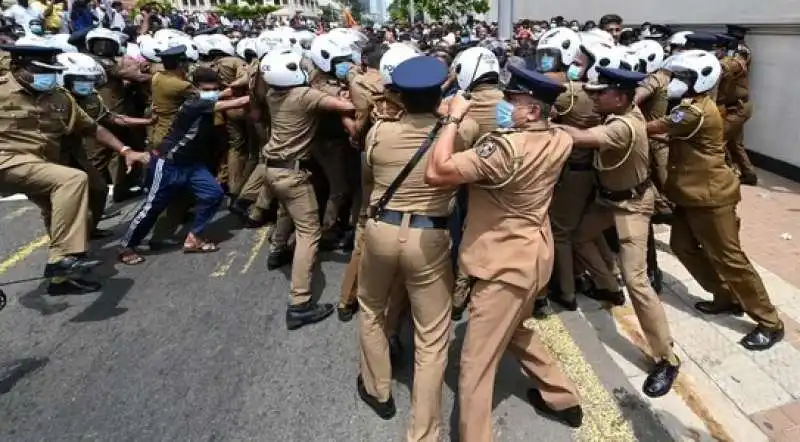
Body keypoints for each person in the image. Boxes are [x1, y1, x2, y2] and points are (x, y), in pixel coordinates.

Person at [425, 65, 583, 440]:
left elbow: (438, 171)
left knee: (475, 366)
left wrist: (452, 121)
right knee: (513, 330)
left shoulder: (504, 149)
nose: (506, 105)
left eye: (514, 101)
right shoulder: (560, 139)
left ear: (532, 111)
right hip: (533, 259)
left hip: (503, 266)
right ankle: (563, 398)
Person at [356, 55, 480, 441]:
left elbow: (368, 180)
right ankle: (424, 431)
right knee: (431, 335)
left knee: (372, 309)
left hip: (380, 228)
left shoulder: (378, 133)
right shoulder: (460, 131)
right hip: (429, 235)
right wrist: (450, 111)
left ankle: (378, 388)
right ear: (441, 91)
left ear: (400, 97)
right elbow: (466, 125)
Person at [647, 50, 784, 350]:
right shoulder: (690, 107)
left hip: (710, 197)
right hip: (689, 194)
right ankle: (725, 296)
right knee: (682, 246)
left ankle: (770, 322)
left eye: (683, 77)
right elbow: (674, 136)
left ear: (701, 80)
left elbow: (657, 127)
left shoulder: (692, 112)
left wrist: (627, 125)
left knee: (730, 258)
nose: (676, 82)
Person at [559, 67, 681, 398]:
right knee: (578, 236)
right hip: (607, 200)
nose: (595, 97)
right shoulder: (625, 109)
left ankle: (666, 358)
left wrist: (542, 124)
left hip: (632, 206)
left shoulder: (623, 127)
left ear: (620, 98)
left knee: (638, 281)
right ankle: (608, 287)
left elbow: (581, 138)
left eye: (601, 93)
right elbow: (647, 85)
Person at [0, 45, 147, 294]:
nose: (46, 77)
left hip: (41, 165)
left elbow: (93, 127)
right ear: (17, 67)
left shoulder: (59, 97)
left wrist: (125, 151)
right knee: (73, 180)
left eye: (51, 71)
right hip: (7, 161)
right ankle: (63, 259)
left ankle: (61, 277)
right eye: (39, 71)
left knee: (64, 214)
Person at [260, 48, 355, 331]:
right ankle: (299, 303)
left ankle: (277, 251)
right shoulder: (304, 96)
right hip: (292, 172)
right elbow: (345, 108)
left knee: (287, 209)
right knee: (309, 232)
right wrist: (344, 95)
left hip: (272, 168)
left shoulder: (272, 94)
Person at [118, 64, 250, 265]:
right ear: (195, 89)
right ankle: (127, 245)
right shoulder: (193, 104)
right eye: (206, 90)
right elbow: (237, 102)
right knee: (152, 207)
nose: (211, 93)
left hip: (192, 165)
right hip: (168, 164)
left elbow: (226, 93)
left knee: (214, 194)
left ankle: (194, 237)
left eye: (214, 89)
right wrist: (264, 94)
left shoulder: (206, 99)